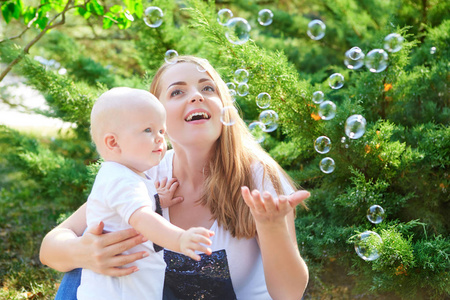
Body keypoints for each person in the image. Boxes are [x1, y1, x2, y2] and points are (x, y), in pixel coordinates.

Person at [40, 56, 310, 300]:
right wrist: (84, 252)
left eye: (208, 88)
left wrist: (273, 227)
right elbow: (50, 247)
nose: (196, 96)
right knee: (87, 265)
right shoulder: (140, 171)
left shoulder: (257, 177)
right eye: (177, 91)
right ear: (154, 115)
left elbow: (289, 294)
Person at [77, 87, 214, 299]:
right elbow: (142, 219)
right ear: (113, 142)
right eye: (148, 130)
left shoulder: (130, 176)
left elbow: (132, 212)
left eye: (161, 130)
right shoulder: (119, 178)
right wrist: (180, 239)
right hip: (118, 293)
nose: (160, 138)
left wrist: (156, 200)